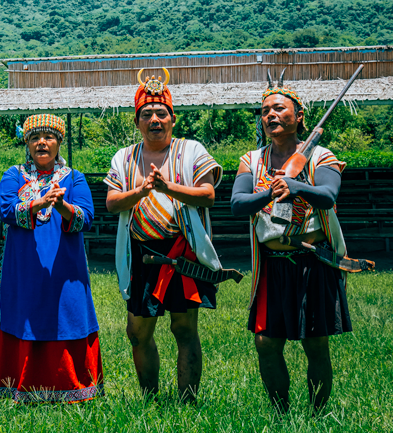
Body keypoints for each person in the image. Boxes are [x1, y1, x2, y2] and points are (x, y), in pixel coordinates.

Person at [230, 74, 352, 413]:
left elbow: (328, 196)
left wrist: (297, 186)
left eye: (279, 109)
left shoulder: (321, 156)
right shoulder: (251, 161)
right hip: (272, 264)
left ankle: (317, 414)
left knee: (315, 344)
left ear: (299, 117)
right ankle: (280, 412)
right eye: (265, 110)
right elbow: (238, 203)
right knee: (266, 343)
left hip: (313, 262)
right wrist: (271, 190)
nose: (270, 115)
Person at [105, 69, 223, 402]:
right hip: (142, 254)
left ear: (173, 118)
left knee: (184, 329)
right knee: (137, 332)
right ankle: (150, 397)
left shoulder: (191, 150)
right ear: (137, 121)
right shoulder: (124, 157)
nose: (154, 119)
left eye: (161, 113)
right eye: (147, 114)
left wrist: (166, 187)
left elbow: (208, 194)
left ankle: (187, 400)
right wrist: (140, 192)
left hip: (181, 252)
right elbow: (112, 203)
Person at [0, 114, 103, 403]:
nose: (42, 143)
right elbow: (6, 209)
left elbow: (86, 217)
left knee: (67, 312)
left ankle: (73, 387)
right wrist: (38, 203)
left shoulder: (74, 178)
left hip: (64, 265)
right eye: (35, 138)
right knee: (25, 313)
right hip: (24, 264)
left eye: (49, 137)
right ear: (27, 144)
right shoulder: (13, 175)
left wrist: (62, 206)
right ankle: (21, 388)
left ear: (59, 142)